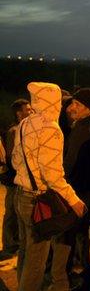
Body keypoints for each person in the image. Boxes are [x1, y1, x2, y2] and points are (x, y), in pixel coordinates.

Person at [12, 82, 87, 291]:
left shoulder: (25, 123)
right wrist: (74, 200)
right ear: (53, 101)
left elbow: (16, 160)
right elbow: (52, 174)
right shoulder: (51, 129)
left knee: (25, 253)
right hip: (38, 200)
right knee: (36, 262)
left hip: (20, 195)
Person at [50, 88, 90, 290]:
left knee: (67, 236)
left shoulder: (81, 130)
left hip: (78, 192)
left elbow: (68, 165)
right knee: (85, 236)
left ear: (87, 108)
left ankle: (64, 279)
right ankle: (88, 276)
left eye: (77, 105)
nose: (71, 108)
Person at [0, 99, 32, 262]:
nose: (30, 111)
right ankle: (9, 245)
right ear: (19, 113)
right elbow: (11, 158)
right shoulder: (14, 130)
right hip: (13, 179)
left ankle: (12, 244)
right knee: (11, 211)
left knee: (13, 211)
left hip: (15, 178)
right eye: (27, 109)